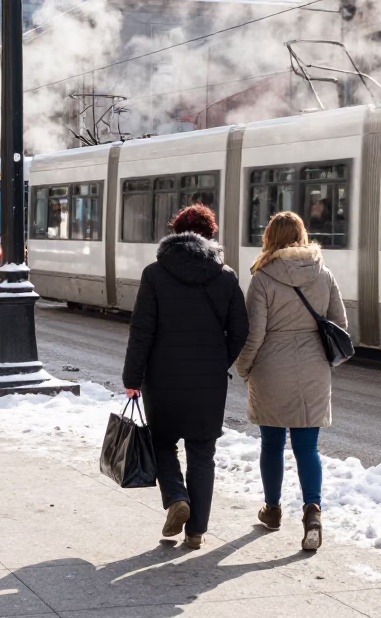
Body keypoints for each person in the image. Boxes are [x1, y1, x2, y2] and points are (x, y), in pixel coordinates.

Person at [121, 204, 248, 551]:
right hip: (208, 382)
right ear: (210, 236)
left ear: (176, 233)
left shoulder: (155, 274)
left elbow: (142, 330)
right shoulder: (226, 277)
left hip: (162, 379)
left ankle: (177, 496)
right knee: (202, 453)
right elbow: (240, 329)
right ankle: (196, 532)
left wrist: (132, 376)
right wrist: (219, 360)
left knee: (162, 443)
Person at [235, 211, 347, 552]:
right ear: (302, 235)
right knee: (307, 447)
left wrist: (243, 367)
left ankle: (272, 510)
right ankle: (312, 512)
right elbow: (339, 323)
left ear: (270, 237)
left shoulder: (263, 277)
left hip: (271, 369)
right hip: (313, 369)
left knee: (271, 445)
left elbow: (254, 334)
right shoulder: (322, 272)